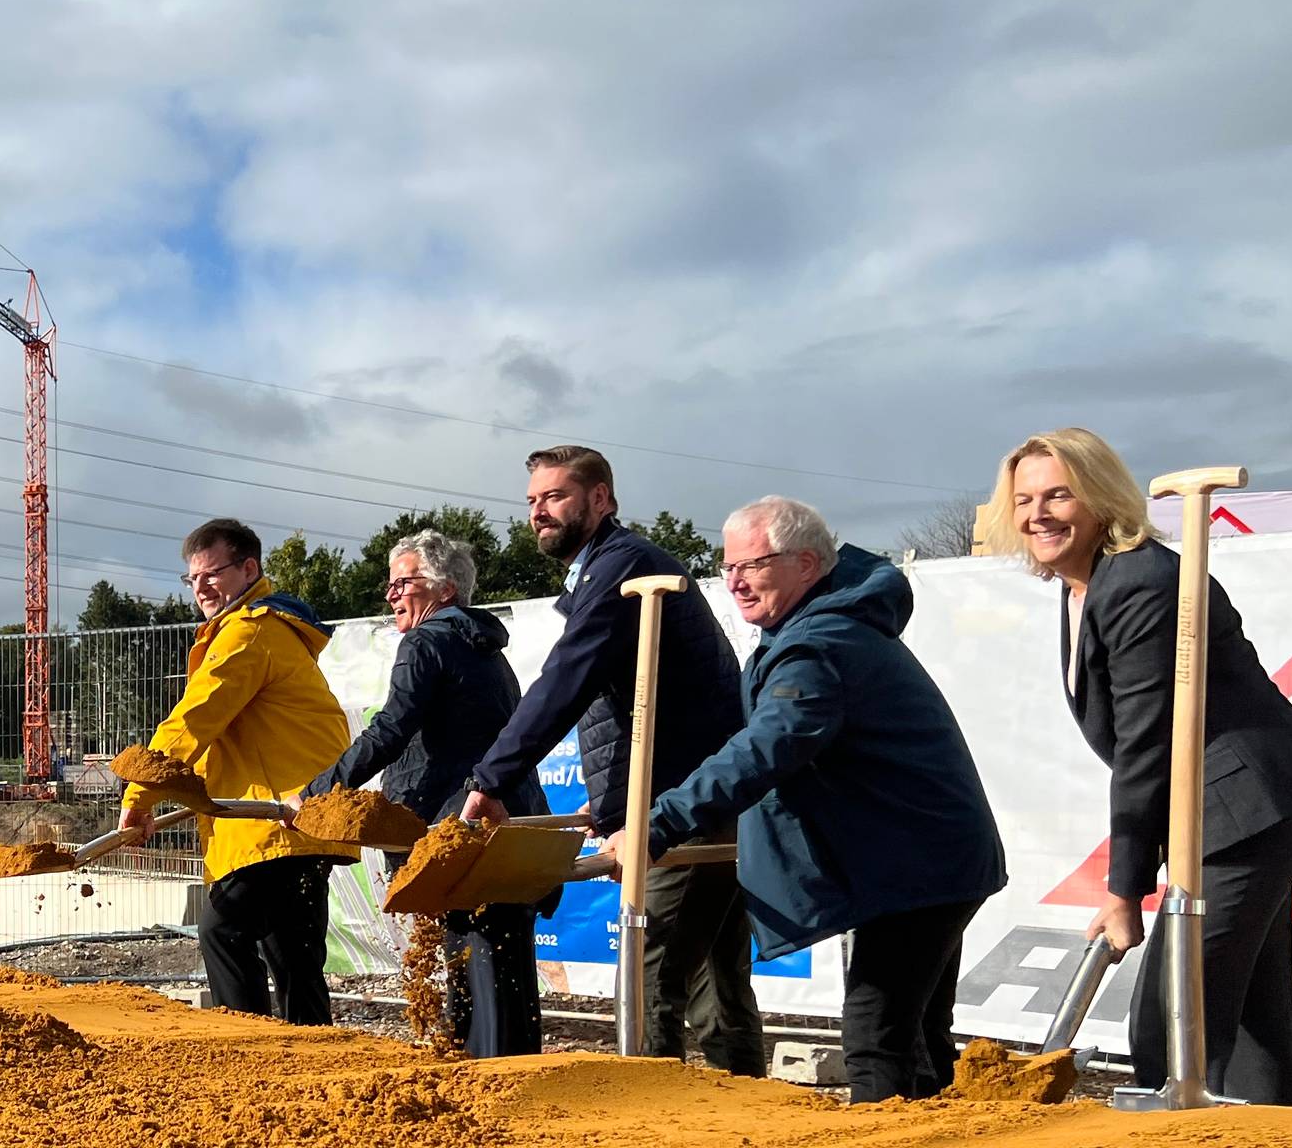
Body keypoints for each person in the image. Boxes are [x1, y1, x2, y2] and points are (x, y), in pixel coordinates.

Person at [985, 428, 1292, 1106]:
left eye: (1059, 494)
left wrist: (1124, 892)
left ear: (1098, 497)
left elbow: (1148, 746)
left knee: (1174, 1034)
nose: (1039, 514)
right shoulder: (1087, 585)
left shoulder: (1140, 583)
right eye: (1025, 499)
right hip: (1227, 808)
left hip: (1246, 807)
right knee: (1254, 1027)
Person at [644, 497, 1006, 1102]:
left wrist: (658, 823)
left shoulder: (819, 646)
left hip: (918, 869)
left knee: (875, 1037)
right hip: (929, 861)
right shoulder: (824, 630)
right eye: (726, 565)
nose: (734, 580)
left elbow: (766, 748)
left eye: (752, 564)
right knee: (915, 1038)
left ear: (807, 564)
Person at [457, 445, 762, 1076]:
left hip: (684, 809)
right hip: (697, 800)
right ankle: (752, 1116)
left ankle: (648, 1121)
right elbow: (628, 705)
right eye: (533, 502)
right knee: (715, 990)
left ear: (601, 499)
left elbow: (566, 678)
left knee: (651, 988)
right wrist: (616, 800)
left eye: (556, 497)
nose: (540, 513)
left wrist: (491, 781)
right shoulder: (605, 572)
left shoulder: (624, 569)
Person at [297, 528, 553, 1057]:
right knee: (502, 956)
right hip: (512, 816)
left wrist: (319, 792)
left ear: (444, 590)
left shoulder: (427, 641)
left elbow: (391, 728)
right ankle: (512, 1074)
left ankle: (485, 1085)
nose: (390, 594)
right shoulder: (487, 650)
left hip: (456, 821)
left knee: (473, 951)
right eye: (389, 584)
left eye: (402, 582)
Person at [119, 517, 357, 1025]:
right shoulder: (267, 630)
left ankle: (246, 1047)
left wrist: (139, 795)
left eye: (213, 573)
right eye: (192, 579)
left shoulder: (248, 633)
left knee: (222, 932)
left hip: (273, 823)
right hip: (296, 824)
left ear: (249, 568)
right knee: (294, 958)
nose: (201, 587)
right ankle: (315, 1064)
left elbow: (193, 720)